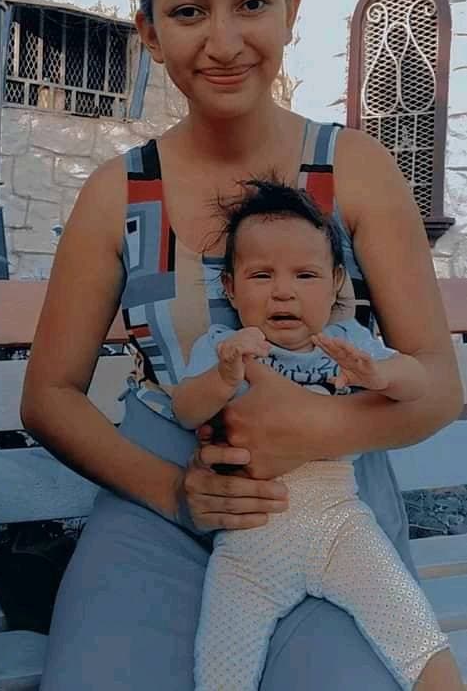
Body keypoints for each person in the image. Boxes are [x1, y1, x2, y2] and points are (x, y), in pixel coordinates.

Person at [19, 0, 463, 691]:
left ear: (290, 7)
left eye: (251, 4)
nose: (223, 41)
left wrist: (317, 430)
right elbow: (48, 394)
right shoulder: (117, 194)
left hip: (328, 508)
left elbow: (437, 386)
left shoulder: (355, 172)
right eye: (188, 11)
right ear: (149, 31)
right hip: (161, 503)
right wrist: (177, 492)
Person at [171, 178, 459, 691]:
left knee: (413, 630)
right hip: (248, 541)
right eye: (261, 275)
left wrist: (381, 376)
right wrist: (223, 376)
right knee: (220, 667)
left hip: (340, 524)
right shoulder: (224, 345)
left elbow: (422, 380)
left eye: (305, 275)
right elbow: (185, 409)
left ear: (335, 283)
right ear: (230, 289)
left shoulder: (347, 341)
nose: (284, 290)